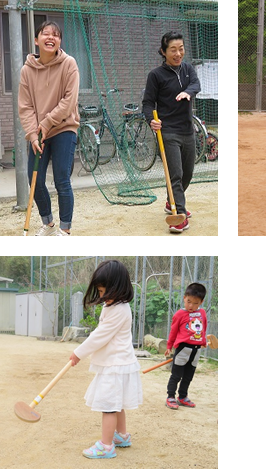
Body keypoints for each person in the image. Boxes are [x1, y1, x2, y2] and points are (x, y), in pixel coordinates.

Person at [69, 260, 142, 459]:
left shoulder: (118, 309)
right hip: (117, 363)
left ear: (118, 288)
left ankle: (106, 446)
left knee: (108, 406)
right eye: (100, 291)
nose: (102, 296)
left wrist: (79, 353)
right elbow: (101, 333)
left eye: (104, 292)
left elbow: (100, 336)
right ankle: (122, 436)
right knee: (117, 404)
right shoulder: (114, 306)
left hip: (115, 366)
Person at [18, 21, 80, 236]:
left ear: (60, 41)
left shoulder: (69, 64)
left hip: (64, 127)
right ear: (36, 40)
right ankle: (49, 224)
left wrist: (45, 123)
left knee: (62, 178)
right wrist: (33, 134)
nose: (51, 37)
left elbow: (69, 101)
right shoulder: (27, 70)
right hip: (38, 133)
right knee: (34, 180)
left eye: (56, 35)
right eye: (46, 34)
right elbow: (25, 106)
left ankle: (65, 229)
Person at [143, 31, 201, 233]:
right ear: (163, 51)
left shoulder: (188, 69)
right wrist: (151, 120)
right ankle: (179, 216)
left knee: (188, 173)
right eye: (173, 50)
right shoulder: (156, 75)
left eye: (181, 49)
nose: (178, 54)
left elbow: (196, 84)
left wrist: (187, 92)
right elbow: (148, 103)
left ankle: (171, 201)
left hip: (187, 130)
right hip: (167, 132)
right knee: (175, 174)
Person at [165, 283, 207, 409]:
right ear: (184, 298)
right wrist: (169, 346)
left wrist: (203, 341)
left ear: (201, 302)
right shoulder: (179, 314)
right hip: (183, 349)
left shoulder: (202, 313)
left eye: (195, 303)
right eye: (188, 301)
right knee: (176, 375)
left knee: (188, 376)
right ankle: (170, 397)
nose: (191, 306)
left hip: (196, 350)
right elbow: (173, 331)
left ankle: (182, 397)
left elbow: (203, 327)